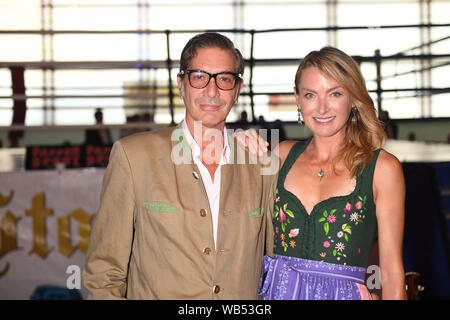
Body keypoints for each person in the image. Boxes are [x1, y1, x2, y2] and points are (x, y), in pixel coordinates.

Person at [83, 32, 276, 299]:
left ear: (238, 90)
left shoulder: (260, 164)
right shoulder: (134, 157)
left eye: (224, 79)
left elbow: (276, 263)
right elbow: (104, 273)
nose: (212, 91)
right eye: (199, 77)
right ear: (181, 84)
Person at [258, 47, 406, 300]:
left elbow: (391, 273)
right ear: (297, 98)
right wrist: (238, 144)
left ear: (353, 98)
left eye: (335, 93)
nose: (323, 108)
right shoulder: (281, 156)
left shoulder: (382, 168)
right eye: (310, 95)